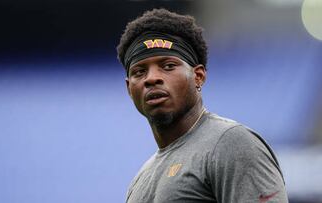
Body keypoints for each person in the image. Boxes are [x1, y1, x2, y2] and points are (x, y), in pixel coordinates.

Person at [116, 8, 288, 203]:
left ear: (198, 76)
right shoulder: (140, 180)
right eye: (139, 72)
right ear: (129, 88)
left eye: (168, 66)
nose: (152, 78)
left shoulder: (231, 144)